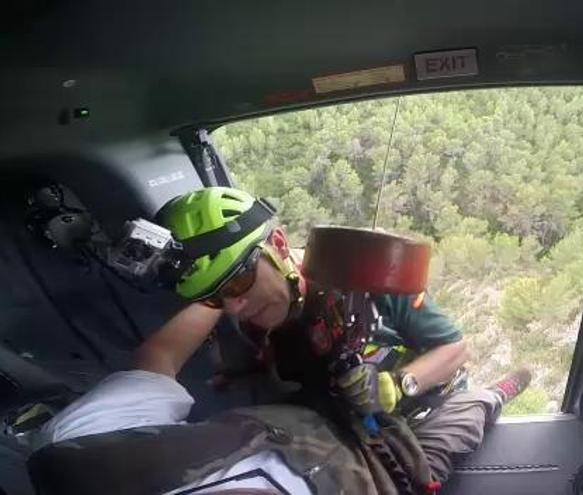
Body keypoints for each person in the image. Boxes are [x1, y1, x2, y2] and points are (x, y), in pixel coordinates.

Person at [30, 186, 531, 495]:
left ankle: (498, 393)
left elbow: (455, 348)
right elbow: (158, 357)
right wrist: (219, 299)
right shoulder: (242, 314)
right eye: (215, 300)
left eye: (239, 286)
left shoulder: (362, 289)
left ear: (277, 246)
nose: (236, 308)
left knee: (452, 432)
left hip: (411, 407)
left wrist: (398, 385)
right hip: (329, 417)